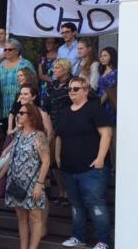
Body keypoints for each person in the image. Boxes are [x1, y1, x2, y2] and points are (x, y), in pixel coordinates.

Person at [56, 77, 112, 249]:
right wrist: (58, 158)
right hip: (69, 168)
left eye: (76, 88)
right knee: (76, 205)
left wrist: (101, 158)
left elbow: (107, 133)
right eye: (70, 89)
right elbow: (59, 136)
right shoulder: (64, 112)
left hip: (92, 169)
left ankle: (103, 241)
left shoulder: (95, 108)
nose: (72, 91)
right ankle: (78, 237)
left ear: (86, 90)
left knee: (96, 204)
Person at [0, 103, 50, 249]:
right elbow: (10, 159)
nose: (18, 115)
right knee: (21, 218)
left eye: (22, 113)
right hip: (15, 183)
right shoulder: (18, 135)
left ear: (31, 116)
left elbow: (46, 162)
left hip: (33, 183)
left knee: (35, 218)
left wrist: (39, 185)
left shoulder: (39, 135)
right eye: (19, 112)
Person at [42, 58, 73, 206]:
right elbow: (45, 108)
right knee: (54, 162)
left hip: (69, 126)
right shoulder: (51, 85)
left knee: (65, 160)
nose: (55, 70)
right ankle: (61, 192)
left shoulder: (73, 83)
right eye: (54, 67)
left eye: (58, 68)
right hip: (52, 126)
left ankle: (69, 192)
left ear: (66, 69)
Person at [0, 38, 35, 131]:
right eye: (5, 49)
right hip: (4, 110)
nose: (7, 52)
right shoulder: (1, 66)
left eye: (10, 49)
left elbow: (33, 83)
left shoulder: (25, 64)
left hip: (21, 108)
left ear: (17, 51)